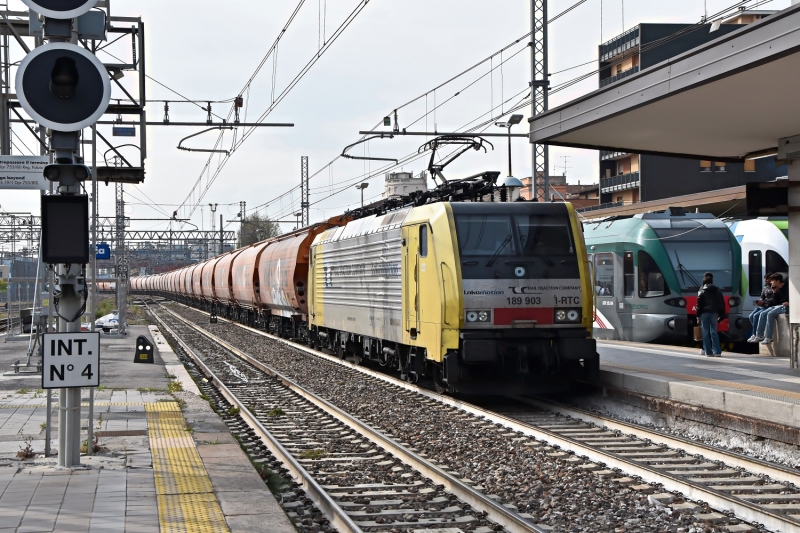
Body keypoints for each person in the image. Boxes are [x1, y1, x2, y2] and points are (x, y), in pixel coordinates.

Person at [752, 273, 789, 344]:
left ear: (778, 281)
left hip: (786, 307)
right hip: (779, 306)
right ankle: (759, 335)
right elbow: (776, 302)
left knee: (770, 314)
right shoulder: (777, 289)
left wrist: (789, 303)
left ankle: (768, 337)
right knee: (763, 313)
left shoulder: (787, 287)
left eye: (772, 280)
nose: (771, 282)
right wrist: (774, 293)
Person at [696, 272, 726, 357]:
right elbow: (721, 303)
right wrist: (721, 314)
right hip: (713, 313)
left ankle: (708, 352)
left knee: (705, 332)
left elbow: (698, 305)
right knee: (714, 332)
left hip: (704, 314)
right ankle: (717, 351)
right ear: (712, 281)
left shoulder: (701, 291)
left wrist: (697, 316)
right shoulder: (717, 290)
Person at [746, 273, 774, 343]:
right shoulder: (765, 287)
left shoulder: (774, 287)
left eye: (767, 279)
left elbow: (774, 299)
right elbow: (762, 296)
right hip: (763, 305)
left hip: (769, 306)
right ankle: (755, 333)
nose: (766, 280)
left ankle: (757, 334)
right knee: (751, 315)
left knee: (756, 315)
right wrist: (760, 301)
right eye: (765, 279)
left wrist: (764, 302)